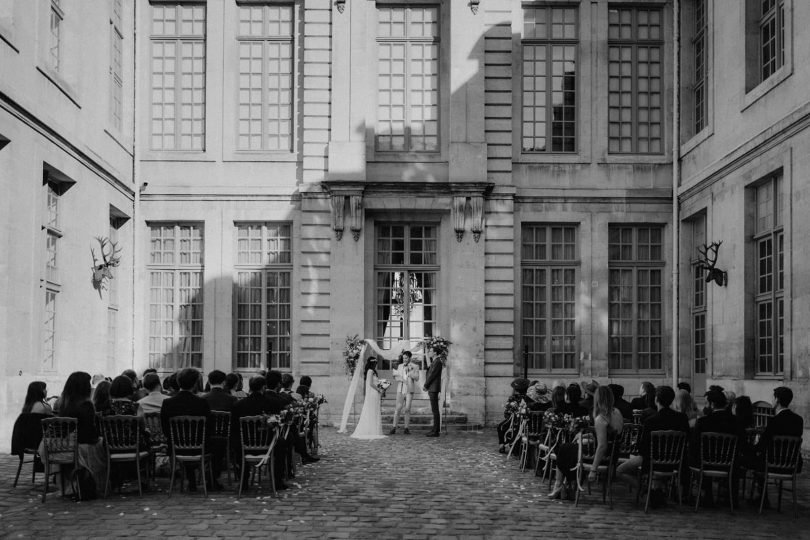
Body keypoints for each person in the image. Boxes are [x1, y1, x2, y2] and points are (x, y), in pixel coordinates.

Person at [616, 386, 689, 506]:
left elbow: (643, 447)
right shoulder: (682, 418)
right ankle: (656, 491)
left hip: (652, 460)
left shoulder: (651, 421)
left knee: (620, 471)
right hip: (676, 461)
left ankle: (648, 491)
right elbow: (686, 439)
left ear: (656, 400)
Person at [550, 386, 623, 500]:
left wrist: (593, 470)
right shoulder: (617, 412)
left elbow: (602, 446)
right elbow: (609, 436)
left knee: (563, 448)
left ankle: (559, 484)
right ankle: (569, 485)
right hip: (614, 453)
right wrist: (586, 435)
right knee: (570, 449)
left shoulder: (600, 418)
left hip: (601, 455)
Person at [161, 368, 218, 491]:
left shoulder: (168, 403)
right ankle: (208, 479)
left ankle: (190, 477)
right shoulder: (201, 402)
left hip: (176, 446)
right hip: (199, 445)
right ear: (194, 384)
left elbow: (165, 428)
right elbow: (209, 427)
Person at [230, 375, 289, 491]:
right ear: (263, 387)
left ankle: (244, 480)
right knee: (282, 441)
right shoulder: (272, 403)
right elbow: (276, 424)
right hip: (268, 445)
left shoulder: (238, 405)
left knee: (235, 439)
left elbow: (234, 428)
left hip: (245, 445)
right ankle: (278, 480)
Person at [57, 371, 106, 498]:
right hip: (83, 445)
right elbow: (89, 433)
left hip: (64, 444)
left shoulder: (63, 403)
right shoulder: (86, 405)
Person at [755, 387, 804, 469]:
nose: (772, 401)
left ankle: (760, 480)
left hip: (772, 463)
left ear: (777, 400)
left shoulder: (774, 421)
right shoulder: (799, 420)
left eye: (773, 398)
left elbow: (762, 445)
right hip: (792, 464)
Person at [351, 357, 386, 440]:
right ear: (372, 363)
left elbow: (375, 382)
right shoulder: (370, 371)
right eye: (375, 363)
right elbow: (370, 383)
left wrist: (382, 386)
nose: (376, 365)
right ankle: (370, 430)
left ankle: (374, 430)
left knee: (375, 410)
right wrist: (379, 390)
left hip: (375, 393)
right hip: (373, 393)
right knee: (371, 410)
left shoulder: (373, 372)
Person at [497, 378, 534, 453]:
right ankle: (502, 444)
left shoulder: (528, 398)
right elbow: (506, 411)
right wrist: (511, 415)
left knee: (515, 429)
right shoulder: (512, 398)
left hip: (523, 420)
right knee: (501, 426)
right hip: (512, 419)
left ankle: (512, 444)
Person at [390, 351, 419, 435]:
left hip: (410, 390)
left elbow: (417, 378)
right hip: (400, 389)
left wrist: (410, 372)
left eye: (406, 358)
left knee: (407, 409)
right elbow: (396, 377)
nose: (404, 360)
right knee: (398, 409)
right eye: (403, 358)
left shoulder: (415, 366)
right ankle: (394, 427)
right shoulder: (399, 366)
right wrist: (400, 379)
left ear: (410, 358)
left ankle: (406, 428)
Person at [423, 353, 445, 438]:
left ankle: (436, 431)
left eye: (430, 350)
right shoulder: (435, 361)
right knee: (434, 410)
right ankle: (434, 429)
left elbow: (432, 375)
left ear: (435, 352)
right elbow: (429, 372)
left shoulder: (437, 361)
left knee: (435, 410)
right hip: (432, 387)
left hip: (433, 388)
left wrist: (426, 385)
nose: (429, 352)